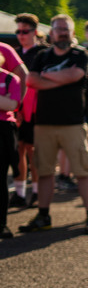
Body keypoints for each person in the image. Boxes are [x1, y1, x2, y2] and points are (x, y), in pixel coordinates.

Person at [19, 14, 88, 235]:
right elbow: (31, 80)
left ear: (72, 33)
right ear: (52, 32)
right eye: (58, 29)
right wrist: (58, 77)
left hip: (73, 123)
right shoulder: (43, 56)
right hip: (44, 123)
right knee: (44, 172)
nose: (62, 32)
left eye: (66, 29)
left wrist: (47, 76)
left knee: (83, 171)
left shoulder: (80, 54)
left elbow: (75, 75)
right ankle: (43, 216)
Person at [10, 13, 47, 208]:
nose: (21, 35)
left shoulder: (43, 53)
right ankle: (19, 192)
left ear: (34, 31)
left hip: (36, 110)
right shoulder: (14, 54)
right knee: (18, 151)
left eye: (25, 31)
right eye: (18, 31)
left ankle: (36, 191)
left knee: (34, 152)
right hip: (16, 110)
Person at [0, 44, 26, 238]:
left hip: (4, 130)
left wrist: (6, 102)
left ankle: (2, 224)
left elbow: (13, 104)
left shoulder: (11, 79)